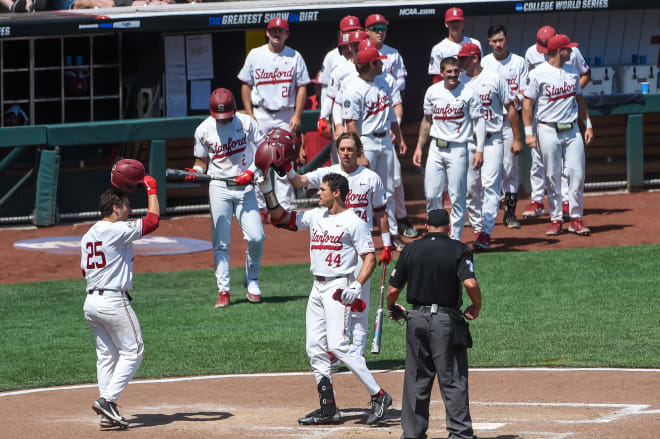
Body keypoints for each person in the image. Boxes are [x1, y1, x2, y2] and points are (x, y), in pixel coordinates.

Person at [254, 164, 393, 426]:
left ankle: (379, 395)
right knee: (314, 348)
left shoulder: (355, 222)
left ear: (337, 193)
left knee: (338, 345)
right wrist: (266, 190)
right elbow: (283, 218)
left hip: (338, 288)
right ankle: (328, 408)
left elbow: (370, 258)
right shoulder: (317, 216)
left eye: (322, 190)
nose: (317, 193)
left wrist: (355, 286)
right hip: (316, 288)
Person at [285, 131, 391, 356]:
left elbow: (381, 214)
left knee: (359, 306)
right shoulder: (328, 174)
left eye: (350, 149)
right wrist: (287, 167)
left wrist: (388, 245)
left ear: (358, 151)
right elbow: (300, 180)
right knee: (335, 304)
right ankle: (338, 349)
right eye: (342, 149)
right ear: (337, 150)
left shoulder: (371, 178)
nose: (346, 153)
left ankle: (358, 353)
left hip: (361, 248)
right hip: (336, 246)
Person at [386, 208, 482, 439]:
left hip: (416, 319)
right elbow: (469, 283)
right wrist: (476, 306)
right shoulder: (460, 249)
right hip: (445, 322)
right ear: (448, 227)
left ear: (427, 226)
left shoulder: (410, 249)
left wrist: (393, 308)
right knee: (453, 378)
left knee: (416, 379)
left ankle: (412, 434)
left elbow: (392, 290)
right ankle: (459, 434)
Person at [81, 171, 160, 429]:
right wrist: (151, 189)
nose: (129, 211)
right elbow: (152, 221)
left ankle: (107, 415)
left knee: (107, 357)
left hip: (91, 302)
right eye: (126, 206)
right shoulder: (116, 230)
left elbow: (84, 271)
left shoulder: (88, 234)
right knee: (134, 350)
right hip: (113, 301)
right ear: (115, 208)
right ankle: (108, 401)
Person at [184, 88, 266, 307]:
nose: (223, 120)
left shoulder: (247, 122)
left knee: (256, 237)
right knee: (221, 241)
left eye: (226, 116)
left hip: (245, 185)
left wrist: (251, 172)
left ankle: (252, 278)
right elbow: (201, 162)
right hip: (219, 186)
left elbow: (265, 151)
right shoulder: (203, 129)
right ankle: (224, 290)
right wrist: (196, 172)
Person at [522, 34, 594, 236]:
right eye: (568, 48)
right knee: (552, 175)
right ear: (559, 51)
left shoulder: (572, 71)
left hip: (571, 129)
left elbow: (579, 100)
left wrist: (587, 125)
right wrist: (529, 133)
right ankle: (556, 219)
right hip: (547, 129)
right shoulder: (538, 73)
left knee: (577, 174)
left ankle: (576, 219)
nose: (571, 51)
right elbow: (527, 104)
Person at [237, 17, 311, 210]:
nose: (277, 34)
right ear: (267, 33)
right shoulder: (255, 54)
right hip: (261, 113)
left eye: (281, 31)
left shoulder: (295, 56)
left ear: (287, 34)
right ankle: (261, 206)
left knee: (285, 160)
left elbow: (302, 86)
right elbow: (245, 84)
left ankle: (284, 205)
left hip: (285, 113)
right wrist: (248, 112)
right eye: (273, 30)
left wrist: (297, 114)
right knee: (258, 160)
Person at [342, 41, 408, 251]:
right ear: (369, 65)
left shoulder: (383, 83)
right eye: (377, 62)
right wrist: (358, 153)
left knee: (387, 190)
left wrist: (400, 137)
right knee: (361, 191)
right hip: (366, 140)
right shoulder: (354, 89)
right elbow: (351, 124)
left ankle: (393, 235)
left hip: (385, 141)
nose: (381, 65)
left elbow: (391, 115)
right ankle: (358, 236)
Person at [413, 56, 485, 241]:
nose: (453, 75)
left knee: (457, 196)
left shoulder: (468, 92)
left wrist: (479, 150)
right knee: (432, 194)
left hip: (458, 148)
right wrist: (420, 147)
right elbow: (427, 120)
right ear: (442, 73)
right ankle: (435, 235)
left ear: (460, 71)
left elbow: (479, 122)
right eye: (449, 71)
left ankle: (455, 239)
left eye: (456, 71)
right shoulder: (432, 91)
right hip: (436, 148)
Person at [458, 42, 521, 250]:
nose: (460, 62)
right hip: (469, 141)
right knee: (470, 188)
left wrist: (517, 137)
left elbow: (510, 107)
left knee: (490, 186)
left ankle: (485, 232)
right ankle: (477, 228)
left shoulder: (494, 78)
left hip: (493, 138)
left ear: (475, 58)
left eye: (463, 58)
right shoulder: (459, 81)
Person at [481, 24, 528, 229]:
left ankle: (509, 213)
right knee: (484, 171)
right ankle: (481, 214)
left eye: (501, 40)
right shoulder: (484, 62)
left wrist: (512, 97)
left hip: (509, 120)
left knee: (510, 168)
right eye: (494, 41)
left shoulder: (518, 61)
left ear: (506, 39)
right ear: (489, 42)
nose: (498, 44)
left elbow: (525, 90)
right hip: (488, 122)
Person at [317, 15, 363, 142]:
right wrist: (323, 117)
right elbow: (327, 91)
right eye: (347, 30)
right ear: (340, 33)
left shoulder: (368, 54)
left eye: (354, 30)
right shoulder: (332, 56)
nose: (351, 33)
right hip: (341, 114)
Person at [428, 7, 483, 79]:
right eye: (451, 22)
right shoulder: (438, 48)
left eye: (458, 21)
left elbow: (481, 69)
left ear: (463, 22)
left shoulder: (475, 43)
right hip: (451, 88)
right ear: (446, 24)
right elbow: (437, 77)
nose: (455, 25)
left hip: (473, 85)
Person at [364, 13, 408, 93]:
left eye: (383, 28)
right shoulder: (361, 51)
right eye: (376, 29)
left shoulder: (393, 53)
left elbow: (401, 81)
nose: (380, 32)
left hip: (388, 98)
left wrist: (387, 90)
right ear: (367, 31)